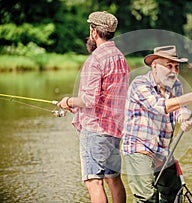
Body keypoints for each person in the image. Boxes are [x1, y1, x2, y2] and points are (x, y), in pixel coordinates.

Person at [57, 11, 129, 203]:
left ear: (94, 31)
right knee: (114, 179)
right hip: (114, 130)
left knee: (93, 182)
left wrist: (68, 102)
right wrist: (78, 105)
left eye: (90, 30)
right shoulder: (121, 58)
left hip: (95, 130)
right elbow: (106, 97)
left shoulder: (95, 59)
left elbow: (89, 100)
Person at [122, 45, 192, 202]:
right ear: (155, 66)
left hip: (163, 150)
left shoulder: (176, 85)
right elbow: (160, 106)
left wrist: (185, 119)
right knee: (147, 197)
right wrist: (191, 96)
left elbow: (179, 109)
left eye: (176, 67)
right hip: (139, 148)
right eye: (169, 66)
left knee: (174, 191)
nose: (174, 71)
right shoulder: (139, 84)